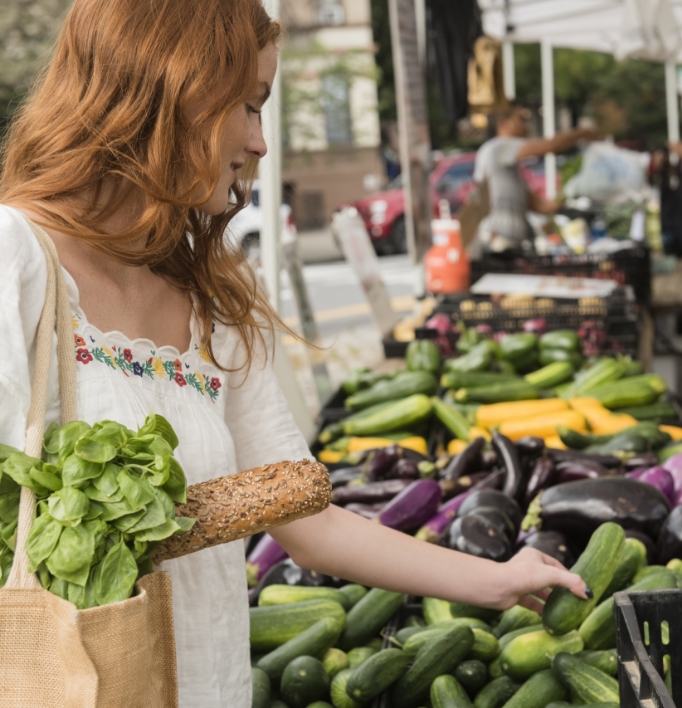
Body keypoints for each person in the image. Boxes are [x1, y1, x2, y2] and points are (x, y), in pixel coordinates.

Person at [0, 1, 588, 705]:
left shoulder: (211, 294)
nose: (259, 143)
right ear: (173, 92)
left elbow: (303, 517)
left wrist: (494, 580)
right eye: (247, 107)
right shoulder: (18, 261)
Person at [473, 102, 600, 252]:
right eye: (521, 119)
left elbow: (542, 207)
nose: (528, 126)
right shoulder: (497, 147)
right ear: (503, 123)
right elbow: (551, 146)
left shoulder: (509, 173)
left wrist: (575, 187)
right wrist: (583, 133)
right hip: (497, 242)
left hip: (510, 244)